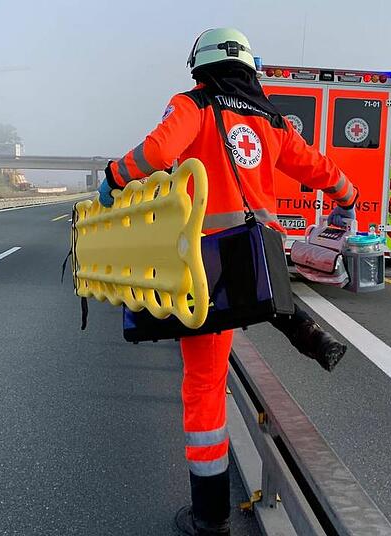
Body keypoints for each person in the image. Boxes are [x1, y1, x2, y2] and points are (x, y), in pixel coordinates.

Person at [98, 28, 358, 536]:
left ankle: (209, 517)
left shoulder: (192, 105)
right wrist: (348, 196)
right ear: (247, 68)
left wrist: (113, 177)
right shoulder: (270, 119)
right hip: (259, 258)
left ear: (201, 67)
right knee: (262, 297)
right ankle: (299, 325)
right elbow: (316, 167)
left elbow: (155, 153)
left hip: (206, 268)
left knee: (204, 388)